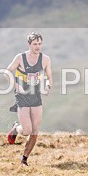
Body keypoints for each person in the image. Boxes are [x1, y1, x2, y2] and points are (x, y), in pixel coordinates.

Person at [6, 32, 52, 165]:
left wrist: (48, 86)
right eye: (35, 44)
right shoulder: (20, 58)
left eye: (39, 44)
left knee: (35, 130)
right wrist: (15, 85)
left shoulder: (46, 59)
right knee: (27, 131)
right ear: (29, 45)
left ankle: (24, 160)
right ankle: (16, 128)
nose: (38, 47)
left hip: (36, 95)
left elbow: (49, 77)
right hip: (22, 96)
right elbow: (7, 71)